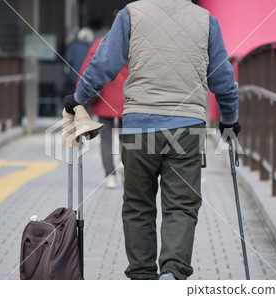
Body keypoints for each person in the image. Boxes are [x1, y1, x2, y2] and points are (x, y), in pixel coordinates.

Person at [64, 0, 241, 280]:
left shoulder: (131, 14)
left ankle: (142, 277)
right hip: (187, 127)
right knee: (181, 205)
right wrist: (229, 119)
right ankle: (172, 272)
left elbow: (104, 63)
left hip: (139, 127)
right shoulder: (206, 21)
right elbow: (222, 77)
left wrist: (78, 98)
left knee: (138, 205)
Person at [77, 37, 129, 189]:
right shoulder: (131, 42)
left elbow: (87, 69)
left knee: (106, 140)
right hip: (127, 98)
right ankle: (124, 164)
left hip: (104, 98)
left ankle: (110, 177)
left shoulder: (100, 43)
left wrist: (79, 94)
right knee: (126, 138)